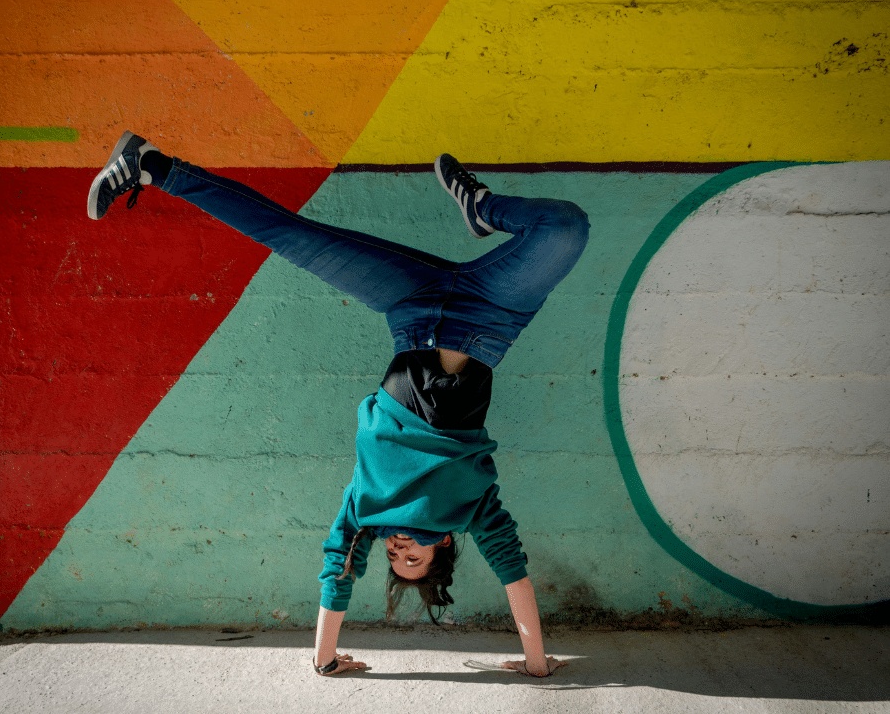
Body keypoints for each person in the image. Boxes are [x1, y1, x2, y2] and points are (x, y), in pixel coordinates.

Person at [88, 132, 590, 677]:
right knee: (566, 227)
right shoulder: (475, 512)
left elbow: (338, 572)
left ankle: (150, 166)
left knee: (295, 237)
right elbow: (514, 575)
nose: (399, 548)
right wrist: (537, 665)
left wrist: (324, 660)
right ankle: (481, 206)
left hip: (411, 307)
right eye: (413, 557)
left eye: (395, 558)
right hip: (492, 317)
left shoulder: (364, 509)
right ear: (444, 544)